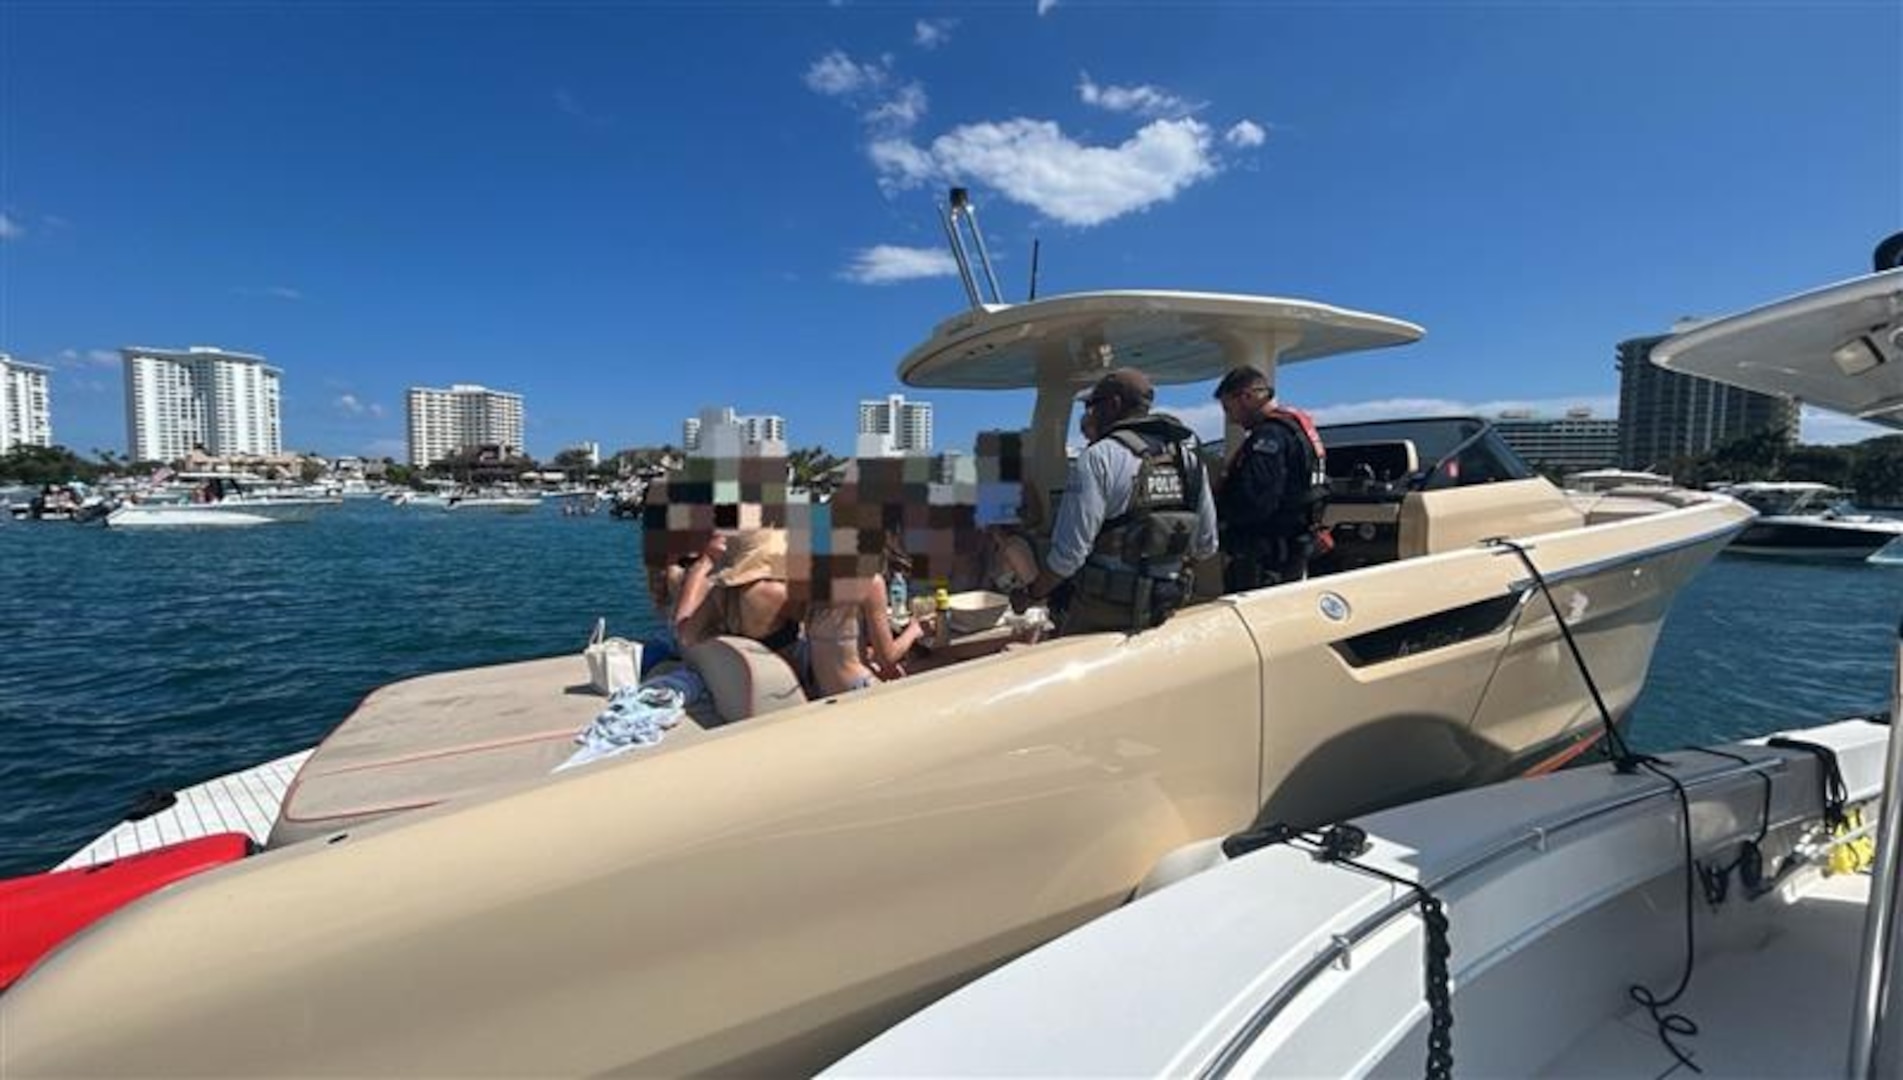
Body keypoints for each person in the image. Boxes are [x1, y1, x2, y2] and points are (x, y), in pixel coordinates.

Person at [1011, 368, 1218, 635]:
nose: (1089, 415)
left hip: (1105, 615)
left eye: (1092, 406)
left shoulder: (1098, 458)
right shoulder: (1188, 460)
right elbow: (1206, 545)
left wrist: (1032, 594)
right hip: (1169, 607)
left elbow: (1069, 557)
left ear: (1114, 404)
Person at [1211, 365, 1330, 591]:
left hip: (1266, 556)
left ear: (1247, 397)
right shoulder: (1297, 430)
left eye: (1229, 408)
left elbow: (1256, 500)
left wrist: (1223, 521)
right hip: (1294, 546)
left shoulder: (1268, 437)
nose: (1231, 419)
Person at [672, 528, 805, 669]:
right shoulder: (778, 593)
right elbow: (822, 616)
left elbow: (688, 636)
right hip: (785, 676)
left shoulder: (720, 591)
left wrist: (703, 564)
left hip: (740, 676)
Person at [804, 572, 934, 696]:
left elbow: (836, 643)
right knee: (937, 667)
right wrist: (915, 629)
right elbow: (887, 658)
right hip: (857, 687)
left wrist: (870, 657)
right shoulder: (870, 581)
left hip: (825, 689)